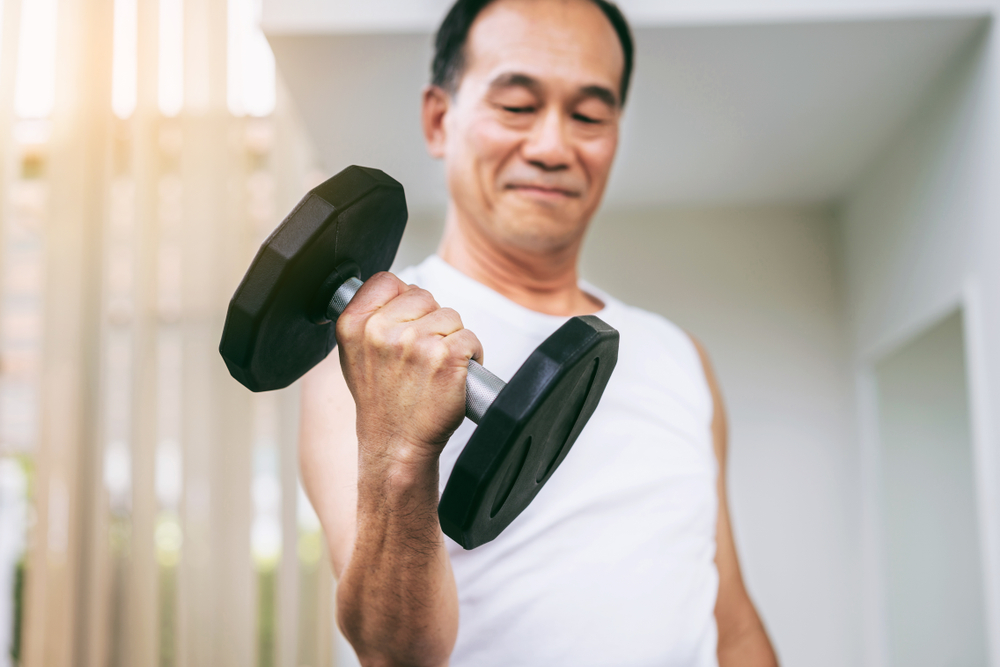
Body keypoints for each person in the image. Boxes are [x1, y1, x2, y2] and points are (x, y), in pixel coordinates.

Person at [299, 0, 779, 665]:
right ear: (441, 119)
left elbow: (732, 622)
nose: (553, 147)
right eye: (517, 107)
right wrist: (400, 454)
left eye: (588, 115)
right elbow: (394, 653)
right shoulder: (369, 349)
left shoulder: (678, 355)